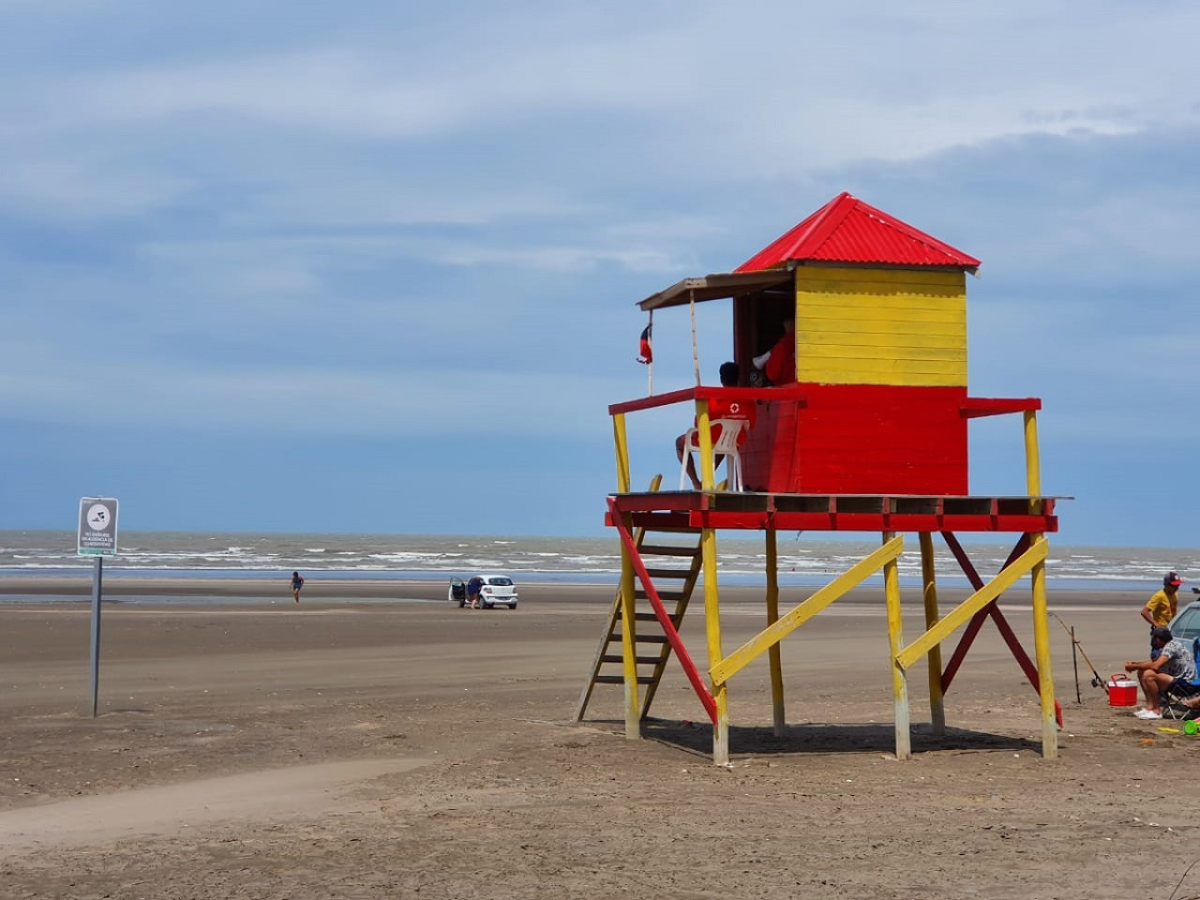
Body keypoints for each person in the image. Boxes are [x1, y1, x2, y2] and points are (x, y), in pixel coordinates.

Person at [676, 362, 757, 490]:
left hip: (711, 440)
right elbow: (750, 424)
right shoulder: (748, 400)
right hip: (734, 441)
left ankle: (697, 483)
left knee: (679, 443)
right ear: (738, 378)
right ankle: (707, 478)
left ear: (721, 379)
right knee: (723, 442)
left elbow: (699, 424)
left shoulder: (712, 398)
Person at [1124, 625, 1197, 719]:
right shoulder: (1169, 645)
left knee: (1149, 675)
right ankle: (1150, 707)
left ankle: (1156, 711)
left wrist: (1134, 666)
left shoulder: (1171, 647)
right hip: (1177, 679)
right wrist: (1135, 665)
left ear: (1158, 639)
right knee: (1141, 672)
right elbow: (1154, 662)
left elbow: (1156, 665)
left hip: (1186, 683)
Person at [1142, 571, 1183, 658]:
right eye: (1174, 586)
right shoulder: (1159, 596)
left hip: (1171, 629)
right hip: (1160, 632)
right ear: (1167, 585)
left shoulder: (1175, 594)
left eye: (1178, 586)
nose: (1176, 588)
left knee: (1171, 655)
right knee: (1157, 655)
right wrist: (1156, 625)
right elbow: (1144, 612)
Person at [752, 317, 796, 386]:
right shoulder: (807, 341)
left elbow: (772, 374)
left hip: (787, 390)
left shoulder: (782, 345)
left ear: (789, 324)